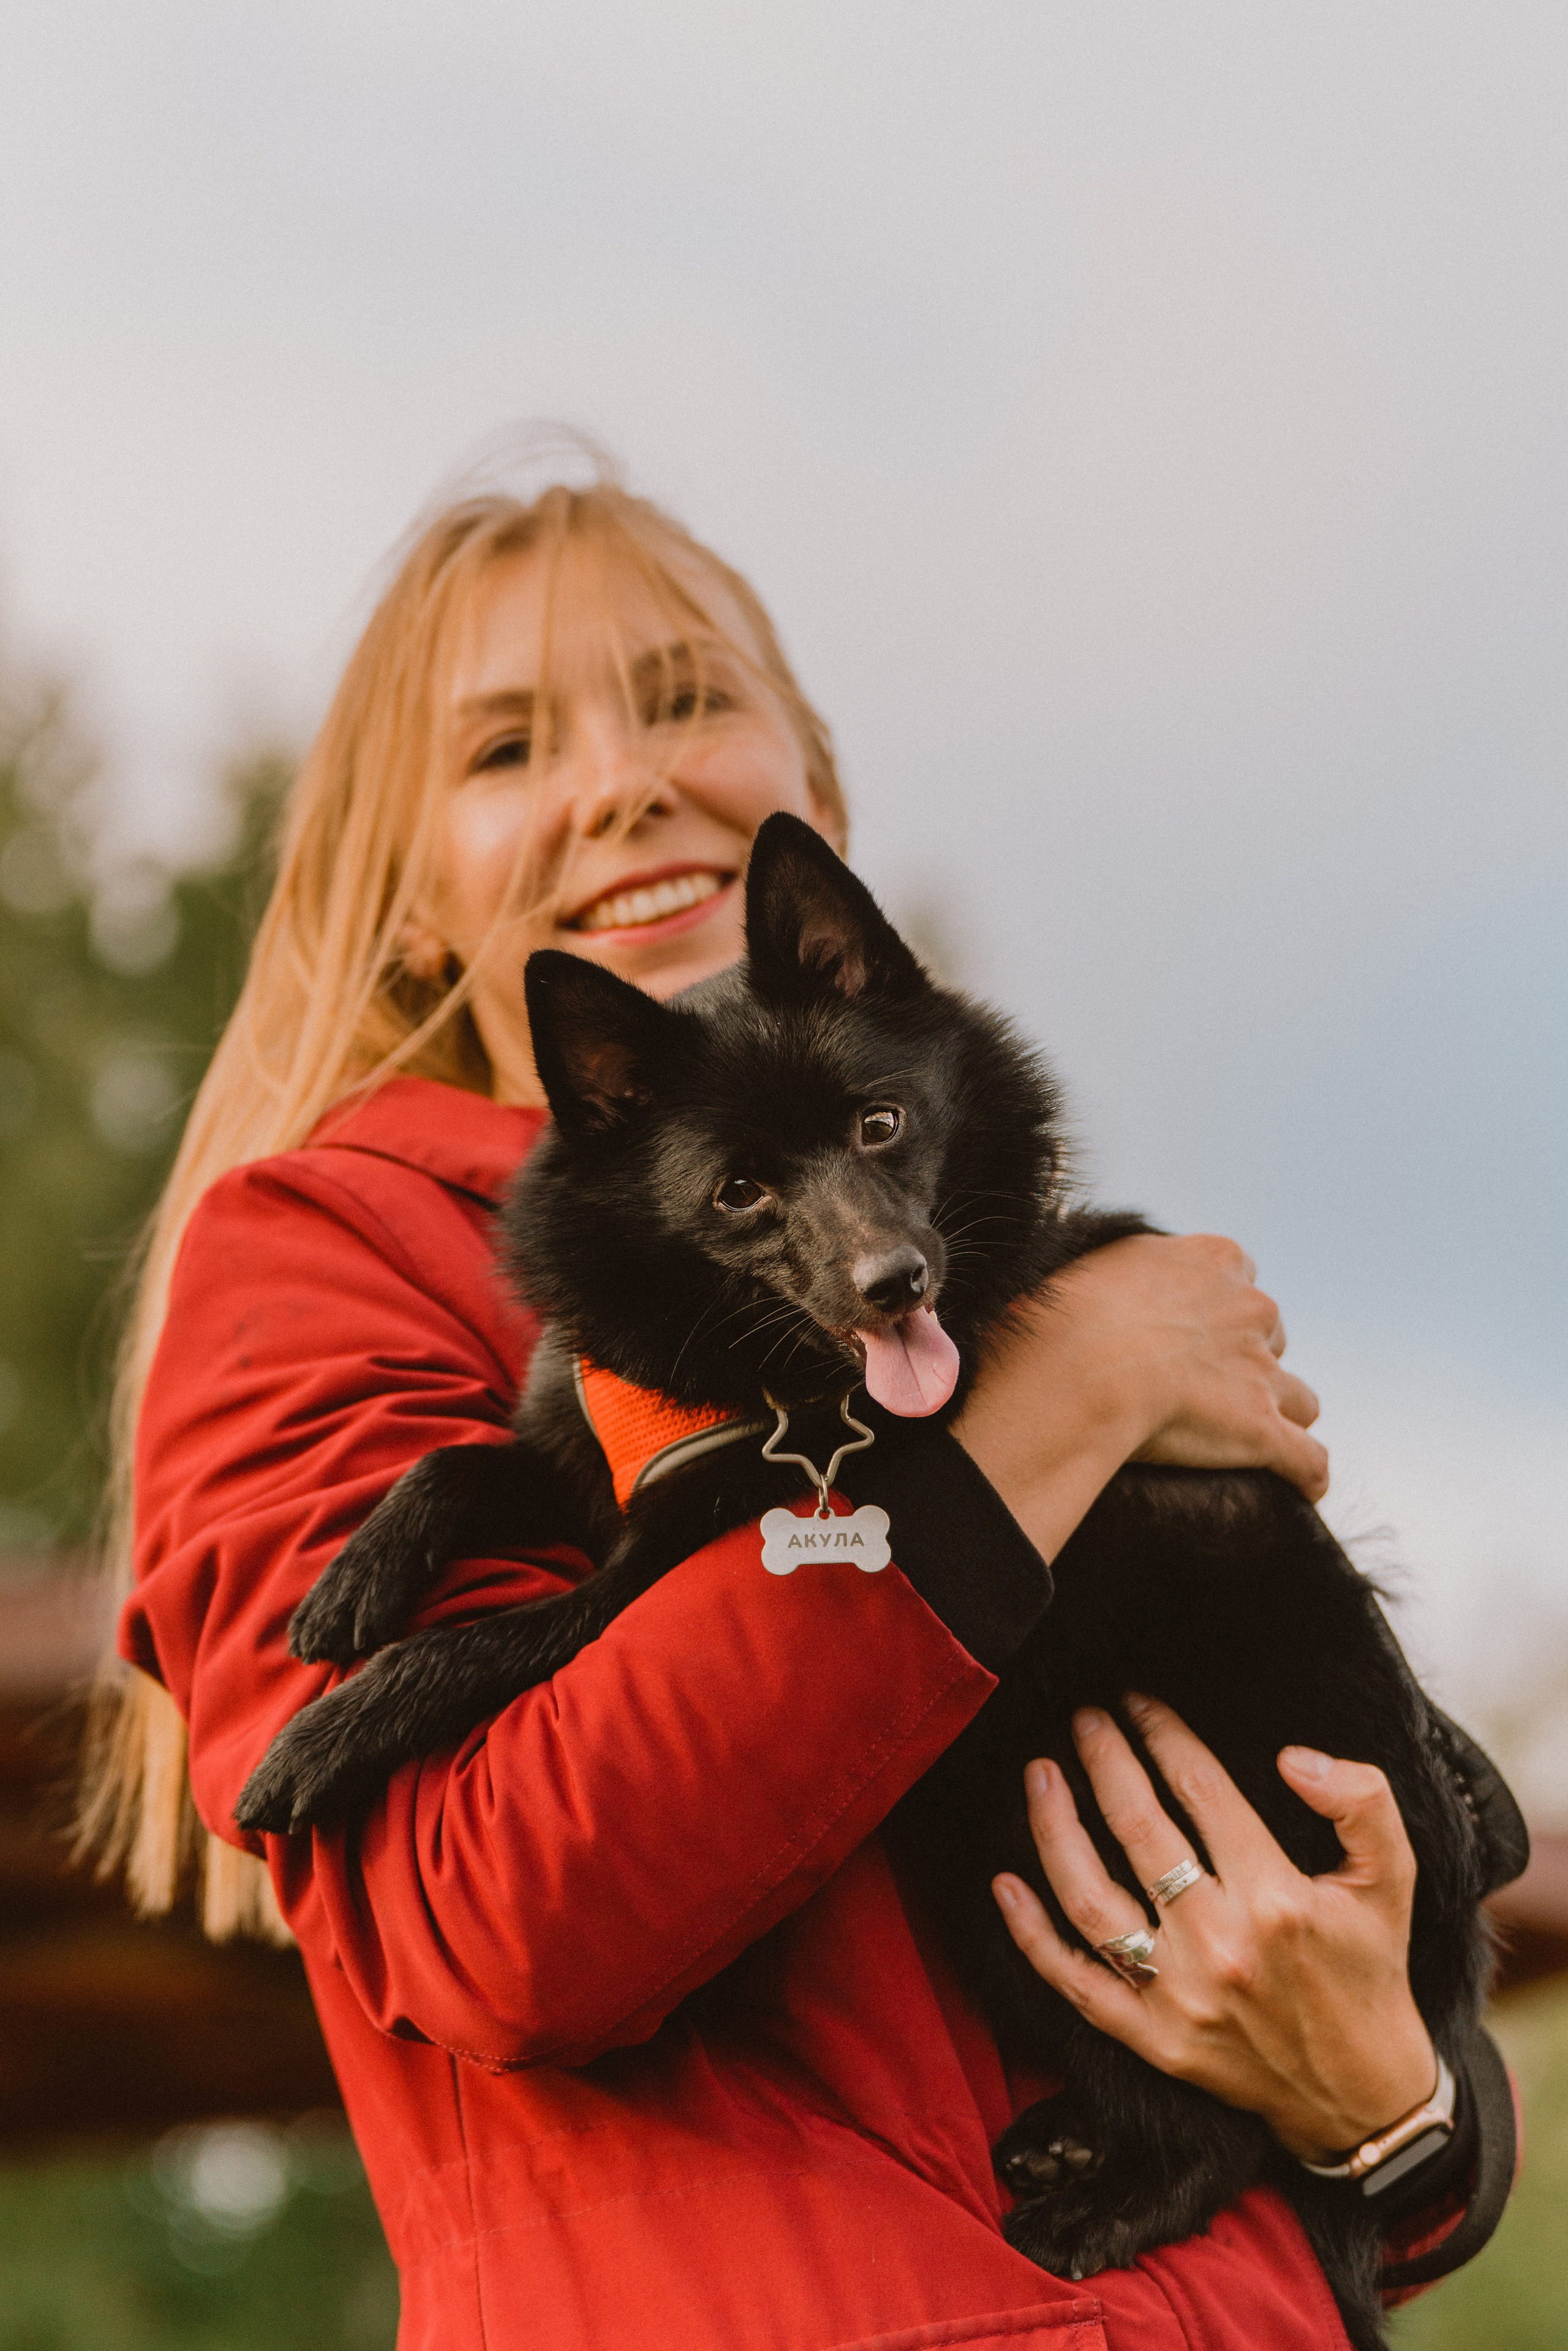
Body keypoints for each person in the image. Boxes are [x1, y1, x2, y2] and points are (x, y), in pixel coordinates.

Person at [91, 469, 1506, 2350]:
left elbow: (1407, 2127)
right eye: (510, 747)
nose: (621, 781)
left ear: (814, 796)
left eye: (685, 698)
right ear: (409, 901)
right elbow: (498, 1912)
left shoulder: (944, 1231)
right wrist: (1065, 1402)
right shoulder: (328, 1251)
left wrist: (1397, 2108)